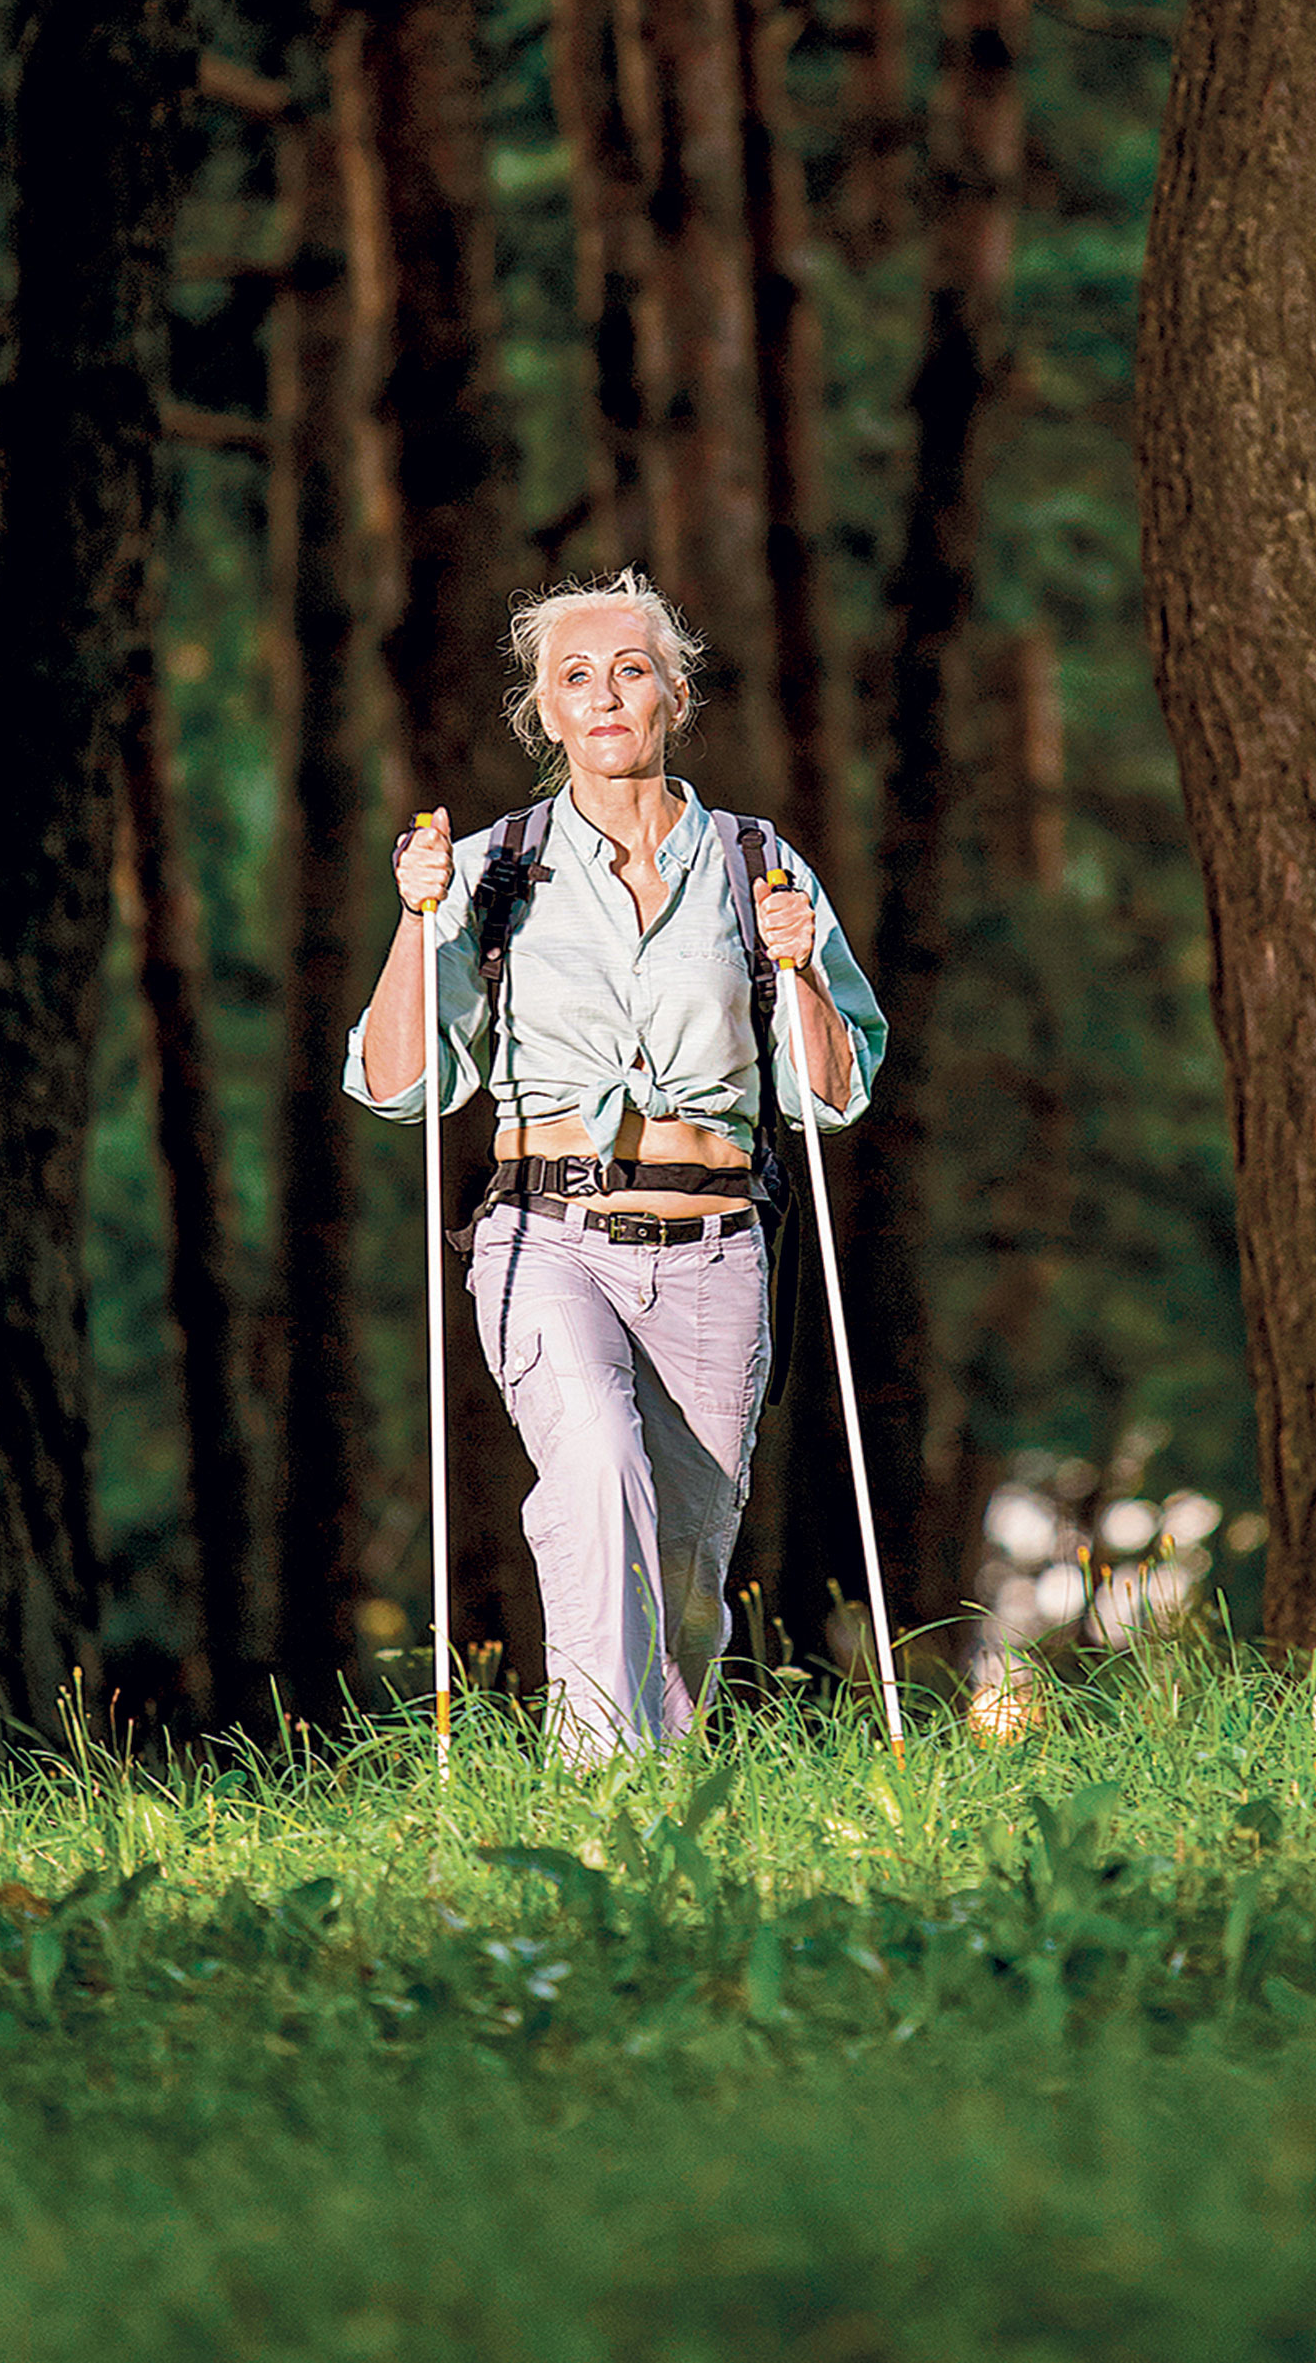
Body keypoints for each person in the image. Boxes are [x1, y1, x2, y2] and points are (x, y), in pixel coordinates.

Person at [343, 567, 884, 1756]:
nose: (604, 695)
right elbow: (397, 1082)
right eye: (573, 678)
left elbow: (832, 1095)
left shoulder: (755, 863)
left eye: (630, 670)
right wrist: (415, 916)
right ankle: (601, 1781)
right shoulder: (486, 866)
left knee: (688, 1563)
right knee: (594, 1467)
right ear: (543, 714)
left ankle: (661, 1814)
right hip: (547, 1236)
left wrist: (798, 969)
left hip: (718, 1246)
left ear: (675, 698)